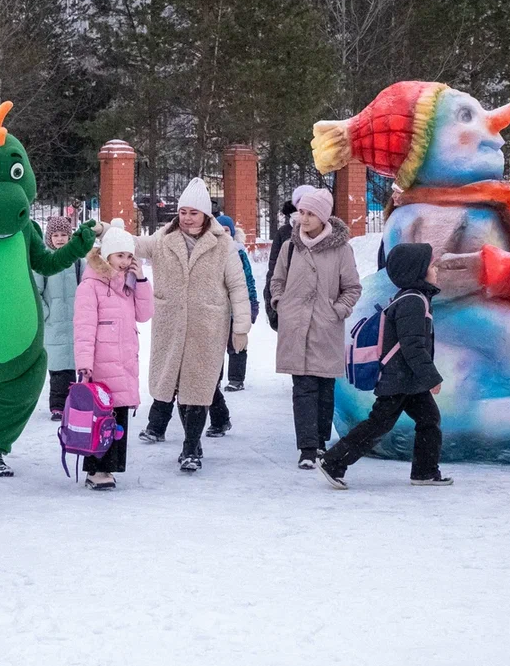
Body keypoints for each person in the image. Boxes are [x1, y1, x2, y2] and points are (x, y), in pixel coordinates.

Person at [132, 177, 252, 473]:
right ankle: (182, 438)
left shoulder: (223, 246)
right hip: (171, 326)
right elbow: (134, 244)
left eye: (193, 213)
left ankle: (191, 448)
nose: (186, 218)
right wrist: (105, 231)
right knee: (170, 382)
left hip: (207, 326)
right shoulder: (164, 238)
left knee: (198, 387)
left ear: (206, 214)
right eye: (183, 211)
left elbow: (238, 286)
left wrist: (241, 328)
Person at [319, 243, 452, 489]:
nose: (436, 270)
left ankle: (425, 472)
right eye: (431, 265)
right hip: (400, 378)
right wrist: (431, 377)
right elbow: (412, 346)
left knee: (429, 419)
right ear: (418, 270)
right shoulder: (413, 301)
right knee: (379, 424)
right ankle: (333, 461)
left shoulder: (413, 298)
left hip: (407, 379)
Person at [269, 187, 362, 470]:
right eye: (302, 212)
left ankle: (321, 440)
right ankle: (307, 448)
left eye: (310, 214)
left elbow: (352, 287)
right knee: (303, 386)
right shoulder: (290, 246)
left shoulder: (341, 250)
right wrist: (280, 303)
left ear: (323, 217)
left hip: (325, 327)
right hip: (295, 326)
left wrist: (339, 310)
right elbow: (277, 280)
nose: (304, 218)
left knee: (324, 386)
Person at [73, 219, 153, 490]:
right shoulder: (91, 285)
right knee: (99, 418)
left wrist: (141, 279)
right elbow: (83, 328)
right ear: (106, 255)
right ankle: (95, 470)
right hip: (99, 366)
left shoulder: (128, 284)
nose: (124, 261)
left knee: (117, 420)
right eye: (120, 255)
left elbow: (145, 314)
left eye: (129, 256)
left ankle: (110, 467)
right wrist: (84, 364)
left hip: (123, 362)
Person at [206, 215, 260, 437]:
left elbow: (247, 281)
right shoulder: (211, 253)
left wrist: (252, 305)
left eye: (227, 231)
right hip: (216, 311)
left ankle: (236, 378)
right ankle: (215, 378)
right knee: (214, 350)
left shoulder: (237, 252)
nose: (224, 235)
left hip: (235, 308)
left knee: (236, 345)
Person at [34, 216, 83, 421]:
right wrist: (47, 314)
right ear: (49, 237)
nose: (60, 239)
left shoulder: (78, 261)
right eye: (56, 235)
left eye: (64, 235)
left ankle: (76, 403)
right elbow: (36, 291)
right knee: (57, 367)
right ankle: (57, 405)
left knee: (74, 365)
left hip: (74, 321)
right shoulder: (45, 261)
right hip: (54, 322)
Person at [264, 185, 314, 329]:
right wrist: (274, 308)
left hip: (320, 315)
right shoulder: (284, 234)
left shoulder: (328, 236)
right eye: (300, 206)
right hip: (290, 312)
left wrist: (337, 309)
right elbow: (274, 274)